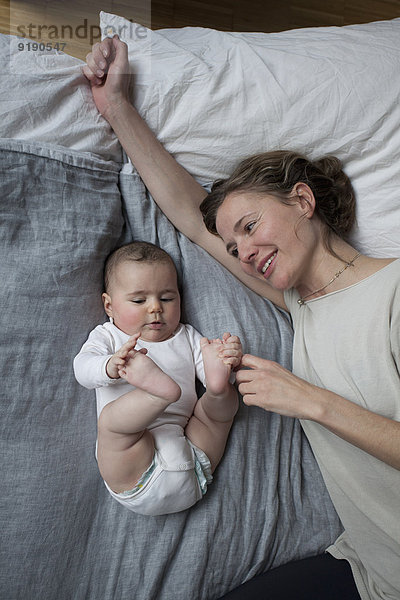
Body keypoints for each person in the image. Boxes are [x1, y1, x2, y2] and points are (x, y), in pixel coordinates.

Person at [83, 36, 400, 599]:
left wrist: (308, 400)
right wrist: (117, 109)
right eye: (233, 249)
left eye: (250, 227)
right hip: (369, 570)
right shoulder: (303, 306)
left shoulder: (392, 291)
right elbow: (187, 212)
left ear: (303, 201)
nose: (244, 253)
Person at [74, 241, 241, 516]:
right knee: (113, 426)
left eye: (167, 298)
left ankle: (214, 390)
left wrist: (225, 364)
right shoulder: (109, 337)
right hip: (136, 467)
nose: (155, 308)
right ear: (109, 305)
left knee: (218, 410)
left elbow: (209, 366)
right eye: (139, 300)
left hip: (193, 457)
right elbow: (81, 368)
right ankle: (158, 394)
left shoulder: (187, 336)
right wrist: (108, 366)